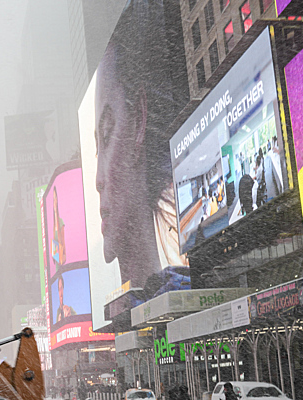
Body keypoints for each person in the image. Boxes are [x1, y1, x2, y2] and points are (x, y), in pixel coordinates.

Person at [93, 0, 188, 293]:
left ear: (138, 122)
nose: (98, 181)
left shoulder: (181, 265)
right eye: (97, 147)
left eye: (107, 136)